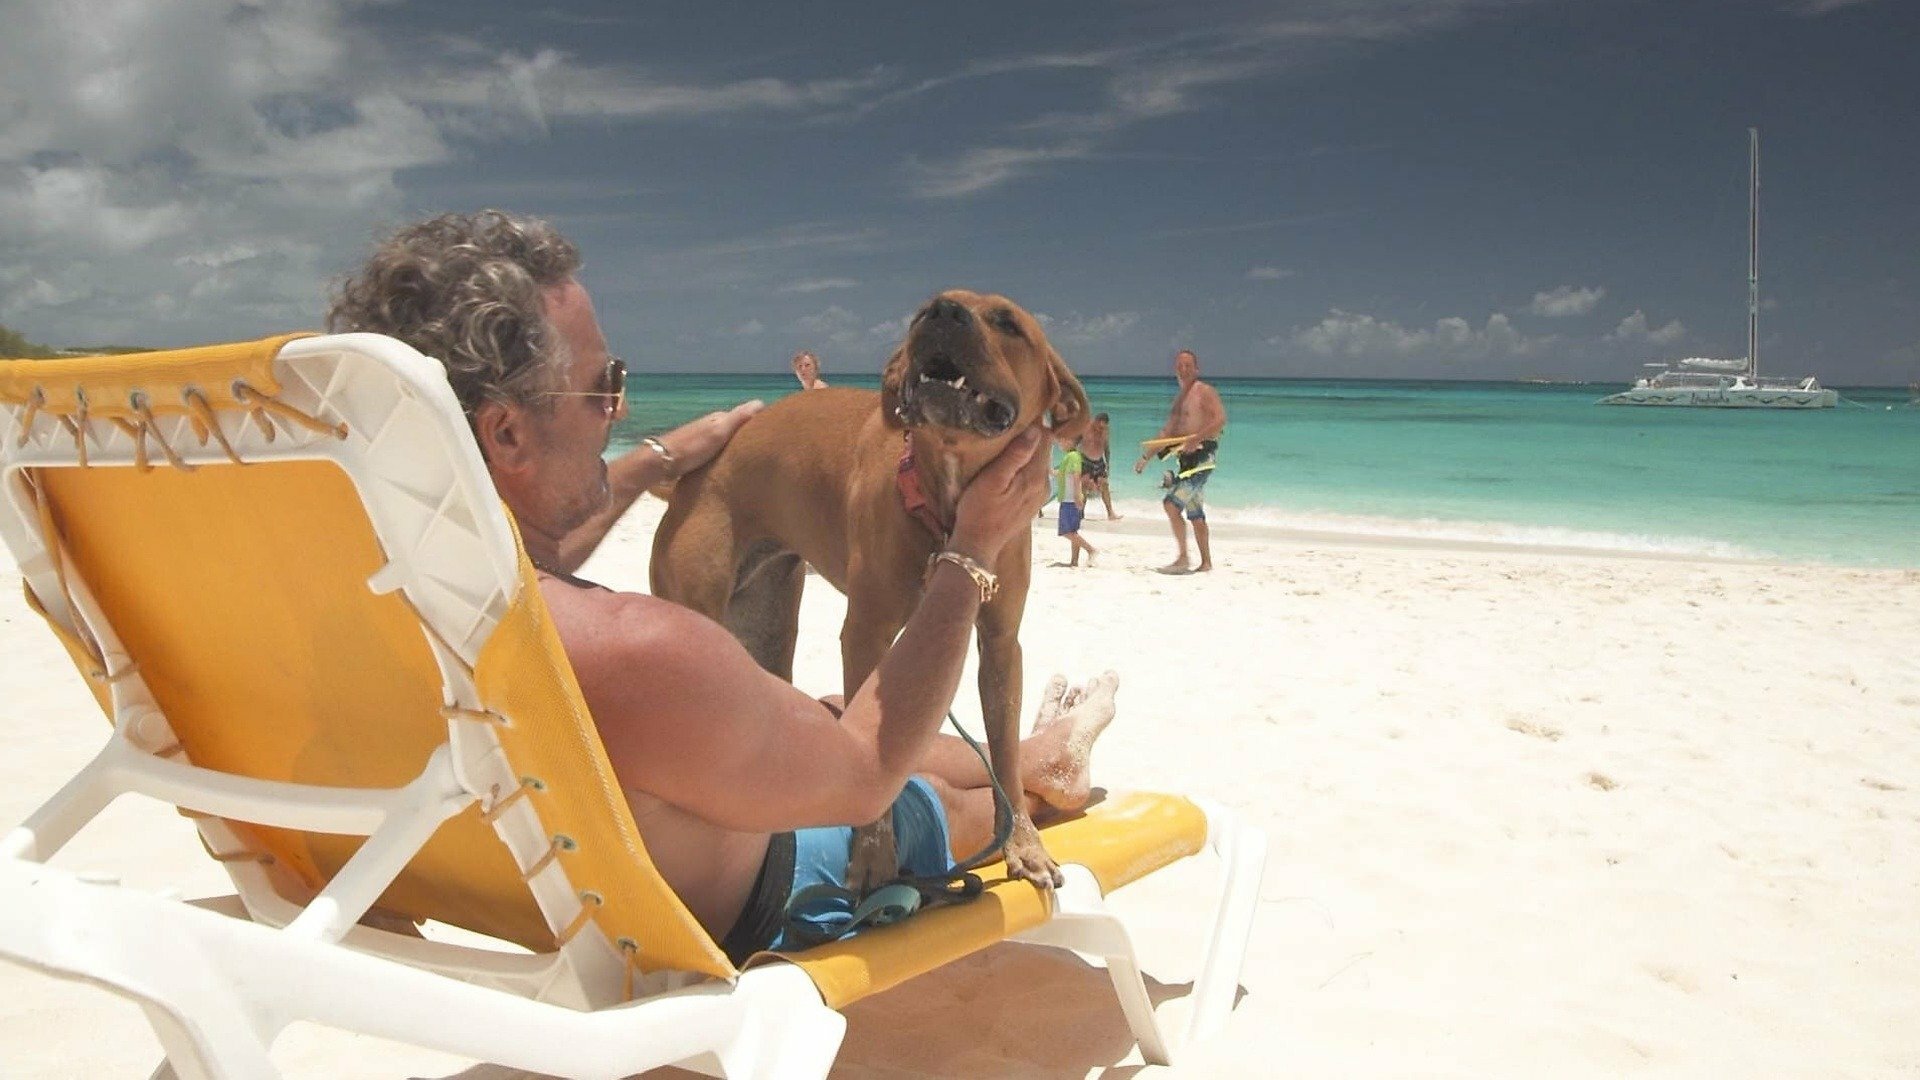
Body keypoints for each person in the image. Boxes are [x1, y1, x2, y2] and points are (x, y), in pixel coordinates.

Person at [328, 210, 1119, 959]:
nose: (622, 407)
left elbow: (541, 555)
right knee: (923, 801)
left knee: (829, 710)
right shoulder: (639, 649)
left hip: (491, 876)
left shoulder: (364, 593)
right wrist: (972, 549)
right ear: (504, 432)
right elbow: (865, 777)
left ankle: (1026, 746)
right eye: (605, 388)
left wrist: (650, 462)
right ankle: (1048, 766)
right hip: (770, 886)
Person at [1133, 349, 1226, 574]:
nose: (1183, 370)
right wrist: (1146, 457)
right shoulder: (1179, 400)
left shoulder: (1205, 392)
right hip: (1185, 461)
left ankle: (1183, 558)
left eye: (1188, 366)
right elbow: (1167, 432)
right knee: (1195, 514)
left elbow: (1220, 420)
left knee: (1171, 504)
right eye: (1180, 366)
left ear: (1196, 369)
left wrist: (1198, 437)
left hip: (1203, 458)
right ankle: (1206, 563)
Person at [1054, 435, 1098, 568]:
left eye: (1062, 439)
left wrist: (1077, 495)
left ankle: (1091, 550)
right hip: (1070, 498)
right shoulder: (1071, 456)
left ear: (1071, 440)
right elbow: (1060, 473)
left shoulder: (1073, 456)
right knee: (1073, 531)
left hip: (1070, 499)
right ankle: (1074, 561)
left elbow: (1076, 476)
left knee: (1066, 532)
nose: (1060, 442)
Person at [1079, 412, 1121, 520]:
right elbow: (1074, 443)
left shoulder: (1105, 431)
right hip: (1085, 460)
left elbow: (1107, 448)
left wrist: (1108, 464)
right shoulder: (1085, 427)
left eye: (1103, 427)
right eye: (1099, 426)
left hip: (1099, 462)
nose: (1100, 429)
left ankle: (1110, 513)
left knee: (1105, 485)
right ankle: (1080, 513)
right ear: (1095, 421)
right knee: (1084, 486)